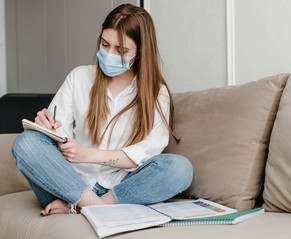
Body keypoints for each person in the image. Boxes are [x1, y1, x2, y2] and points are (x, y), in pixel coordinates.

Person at [11, 4, 193, 216]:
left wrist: (89, 155)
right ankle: (96, 208)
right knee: (26, 143)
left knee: (180, 168)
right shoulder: (79, 77)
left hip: (121, 188)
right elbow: (56, 136)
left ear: (141, 52)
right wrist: (46, 126)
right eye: (105, 44)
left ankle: (82, 207)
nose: (109, 54)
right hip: (67, 184)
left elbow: (146, 152)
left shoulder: (156, 93)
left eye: (121, 50)